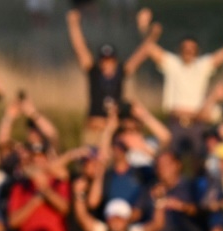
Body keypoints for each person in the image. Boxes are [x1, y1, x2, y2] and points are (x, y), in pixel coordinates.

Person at [144, 15, 223, 155]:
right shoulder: (172, 64)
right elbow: (150, 48)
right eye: (185, 48)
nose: (188, 51)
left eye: (192, 48)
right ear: (180, 49)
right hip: (175, 122)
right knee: (171, 159)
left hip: (197, 123)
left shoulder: (202, 65)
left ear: (197, 51)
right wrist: (146, 28)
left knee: (200, 160)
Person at [65, 7, 159, 144]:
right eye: (104, 60)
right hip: (93, 129)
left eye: (110, 60)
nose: (107, 64)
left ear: (115, 60)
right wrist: (73, 25)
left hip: (113, 130)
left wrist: (152, 36)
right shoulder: (94, 72)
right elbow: (80, 48)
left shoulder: (122, 72)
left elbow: (142, 53)